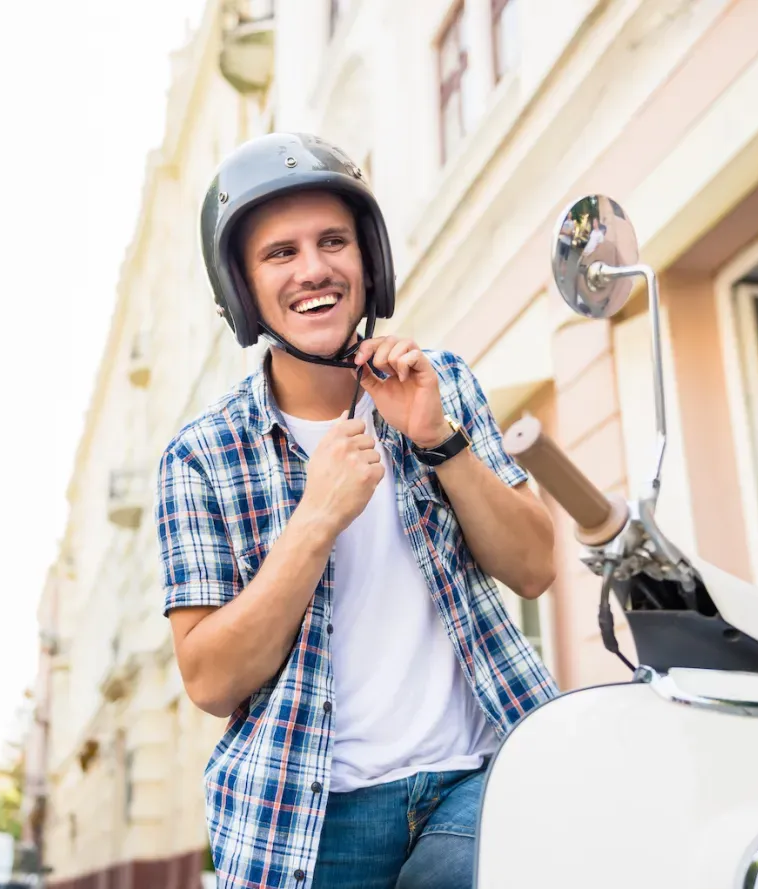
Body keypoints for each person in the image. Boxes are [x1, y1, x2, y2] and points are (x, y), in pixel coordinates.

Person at [155, 133, 559, 889]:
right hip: (308, 817)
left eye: (333, 241)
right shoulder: (200, 456)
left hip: (475, 774)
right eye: (281, 252)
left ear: (367, 261)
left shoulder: (442, 384)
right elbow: (211, 679)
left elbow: (535, 567)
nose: (314, 268)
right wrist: (315, 519)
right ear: (242, 288)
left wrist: (440, 441)